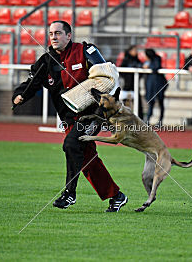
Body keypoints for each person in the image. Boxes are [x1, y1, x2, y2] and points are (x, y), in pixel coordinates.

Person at [12, 21, 128, 212]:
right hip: (68, 118)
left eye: (58, 33)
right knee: (85, 156)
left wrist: (103, 109)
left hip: (92, 115)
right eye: (51, 34)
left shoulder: (86, 51)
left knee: (71, 145)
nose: (54, 37)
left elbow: (106, 77)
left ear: (69, 35)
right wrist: (20, 95)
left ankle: (69, 193)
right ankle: (116, 196)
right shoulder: (46, 61)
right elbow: (32, 82)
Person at [143, 49, 167, 125]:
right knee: (151, 102)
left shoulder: (157, 59)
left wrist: (149, 66)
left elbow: (156, 67)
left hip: (159, 84)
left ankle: (160, 120)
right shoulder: (147, 61)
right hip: (150, 85)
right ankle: (148, 119)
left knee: (160, 102)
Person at [120, 45, 143, 119]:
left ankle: (139, 119)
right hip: (127, 85)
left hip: (135, 85)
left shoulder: (137, 60)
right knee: (123, 103)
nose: (136, 52)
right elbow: (122, 71)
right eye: (134, 50)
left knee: (138, 103)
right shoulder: (126, 60)